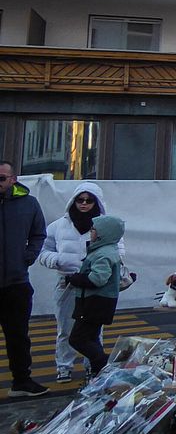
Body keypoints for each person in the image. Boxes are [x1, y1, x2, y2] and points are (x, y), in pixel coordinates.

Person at [38, 183, 126, 382]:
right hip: (67, 281)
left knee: (93, 330)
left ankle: (92, 366)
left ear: (97, 202)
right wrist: (58, 260)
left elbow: (118, 252)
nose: (84, 204)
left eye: (89, 200)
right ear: (73, 200)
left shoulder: (106, 226)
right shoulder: (58, 226)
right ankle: (64, 366)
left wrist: (103, 265)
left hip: (95, 286)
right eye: (80, 199)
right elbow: (42, 250)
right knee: (65, 328)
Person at [0, 160, 48, 397]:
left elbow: (39, 233)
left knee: (18, 336)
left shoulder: (28, 203)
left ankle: (21, 381)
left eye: (1, 178)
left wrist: (27, 256)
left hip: (16, 283)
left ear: (13, 179)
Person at [65, 215, 126, 376]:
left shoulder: (102, 254)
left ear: (103, 234)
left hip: (94, 303)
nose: (90, 232)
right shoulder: (106, 250)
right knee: (91, 338)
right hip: (99, 303)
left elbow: (97, 279)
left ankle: (104, 363)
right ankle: (99, 373)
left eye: (93, 229)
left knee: (77, 339)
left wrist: (75, 279)